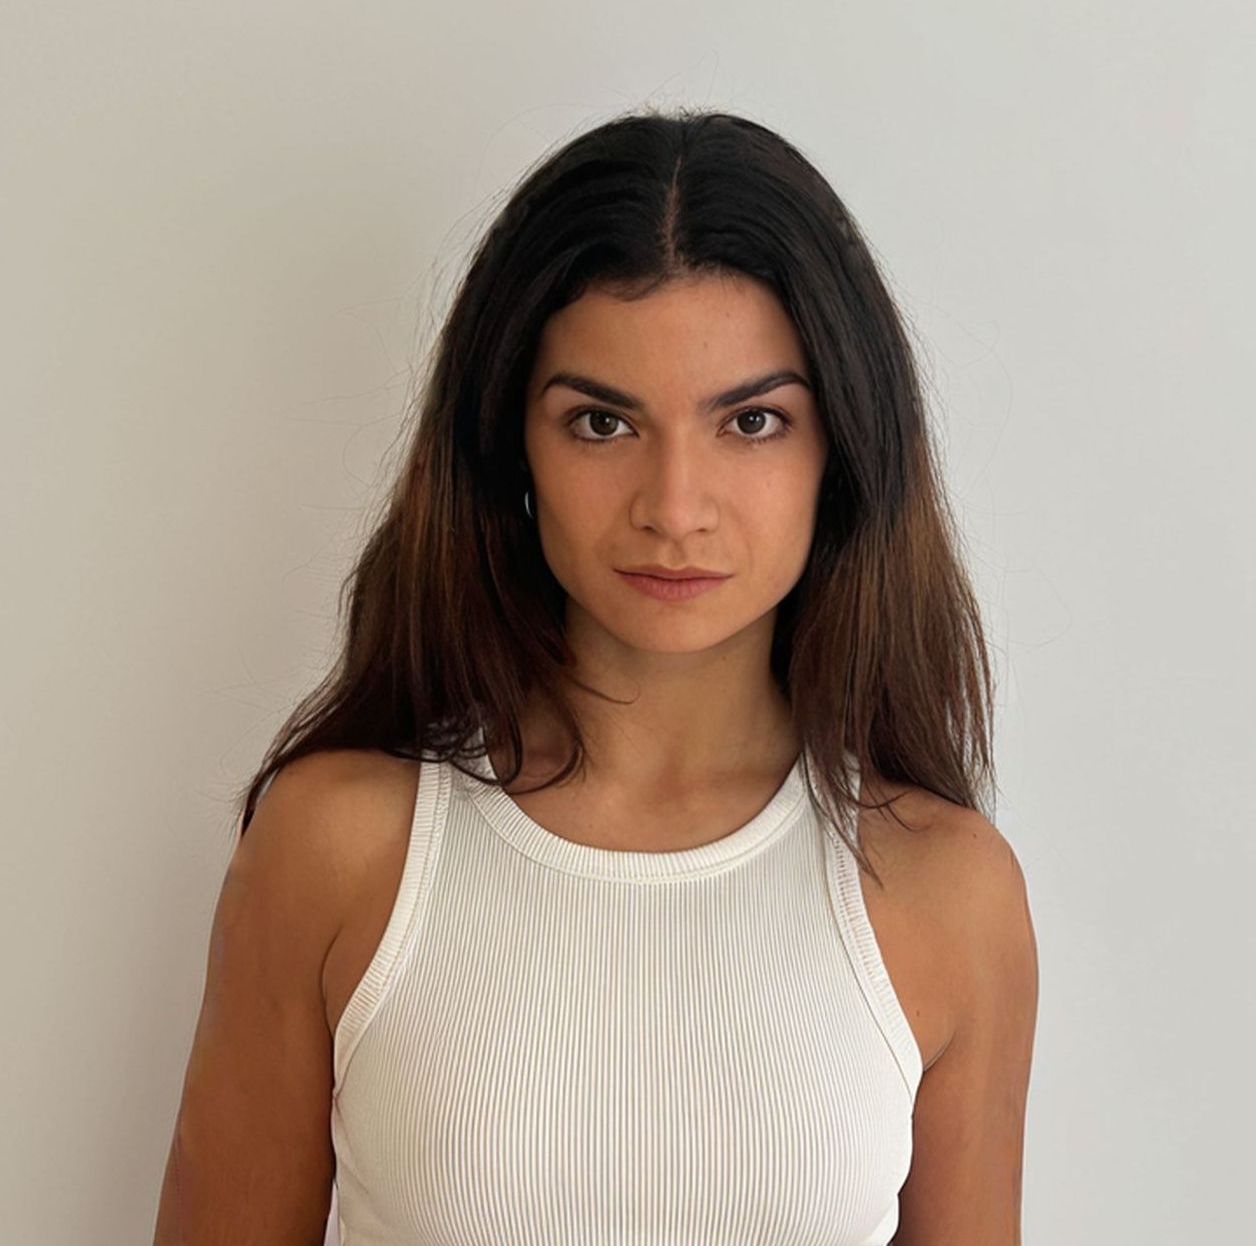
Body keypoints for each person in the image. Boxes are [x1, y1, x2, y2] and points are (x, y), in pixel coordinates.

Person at [153, 109, 1038, 1245]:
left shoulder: (945, 894)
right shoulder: (339, 849)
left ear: (845, 451)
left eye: (752, 421)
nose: (673, 507)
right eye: (601, 422)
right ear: (507, 445)